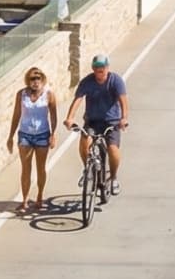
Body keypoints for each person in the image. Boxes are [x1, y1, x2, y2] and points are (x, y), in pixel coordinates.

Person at [65, 53, 130, 198]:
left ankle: (113, 178)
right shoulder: (87, 82)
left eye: (102, 67)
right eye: (96, 68)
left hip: (111, 122)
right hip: (92, 121)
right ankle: (87, 170)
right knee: (84, 141)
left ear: (107, 67)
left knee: (112, 149)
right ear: (93, 68)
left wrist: (124, 118)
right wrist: (69, 118)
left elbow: (123, 101)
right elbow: (78, 99)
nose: (99, 70)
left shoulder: (115, 81)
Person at [11, 67, 61, 217]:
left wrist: (53, 134)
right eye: (33, 79)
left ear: (43, 79)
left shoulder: (49, 95)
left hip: (42, 135)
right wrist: (10, 135)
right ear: (28, 80)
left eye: (38, 78)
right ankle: (25, 199)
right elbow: (16, 115)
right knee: (25, 169)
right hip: (25, 134)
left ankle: (40, 196)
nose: (36, 81)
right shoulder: (21, 95)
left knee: (41, 167)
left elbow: (53, 115)